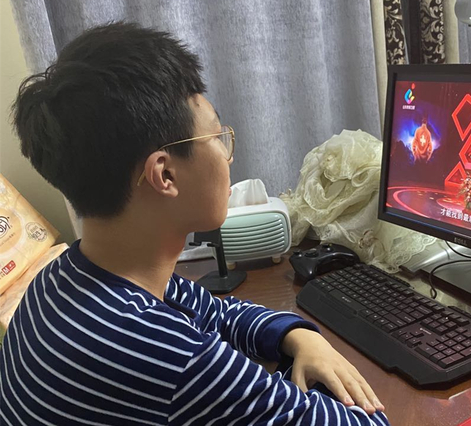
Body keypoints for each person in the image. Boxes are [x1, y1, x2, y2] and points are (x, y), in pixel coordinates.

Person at [0, 23, 389, 425]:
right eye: (217, 136)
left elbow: (217, 312)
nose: (227, 155)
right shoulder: (168, 357)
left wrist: (300, 337)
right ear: (164, 175)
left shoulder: (60, 280)